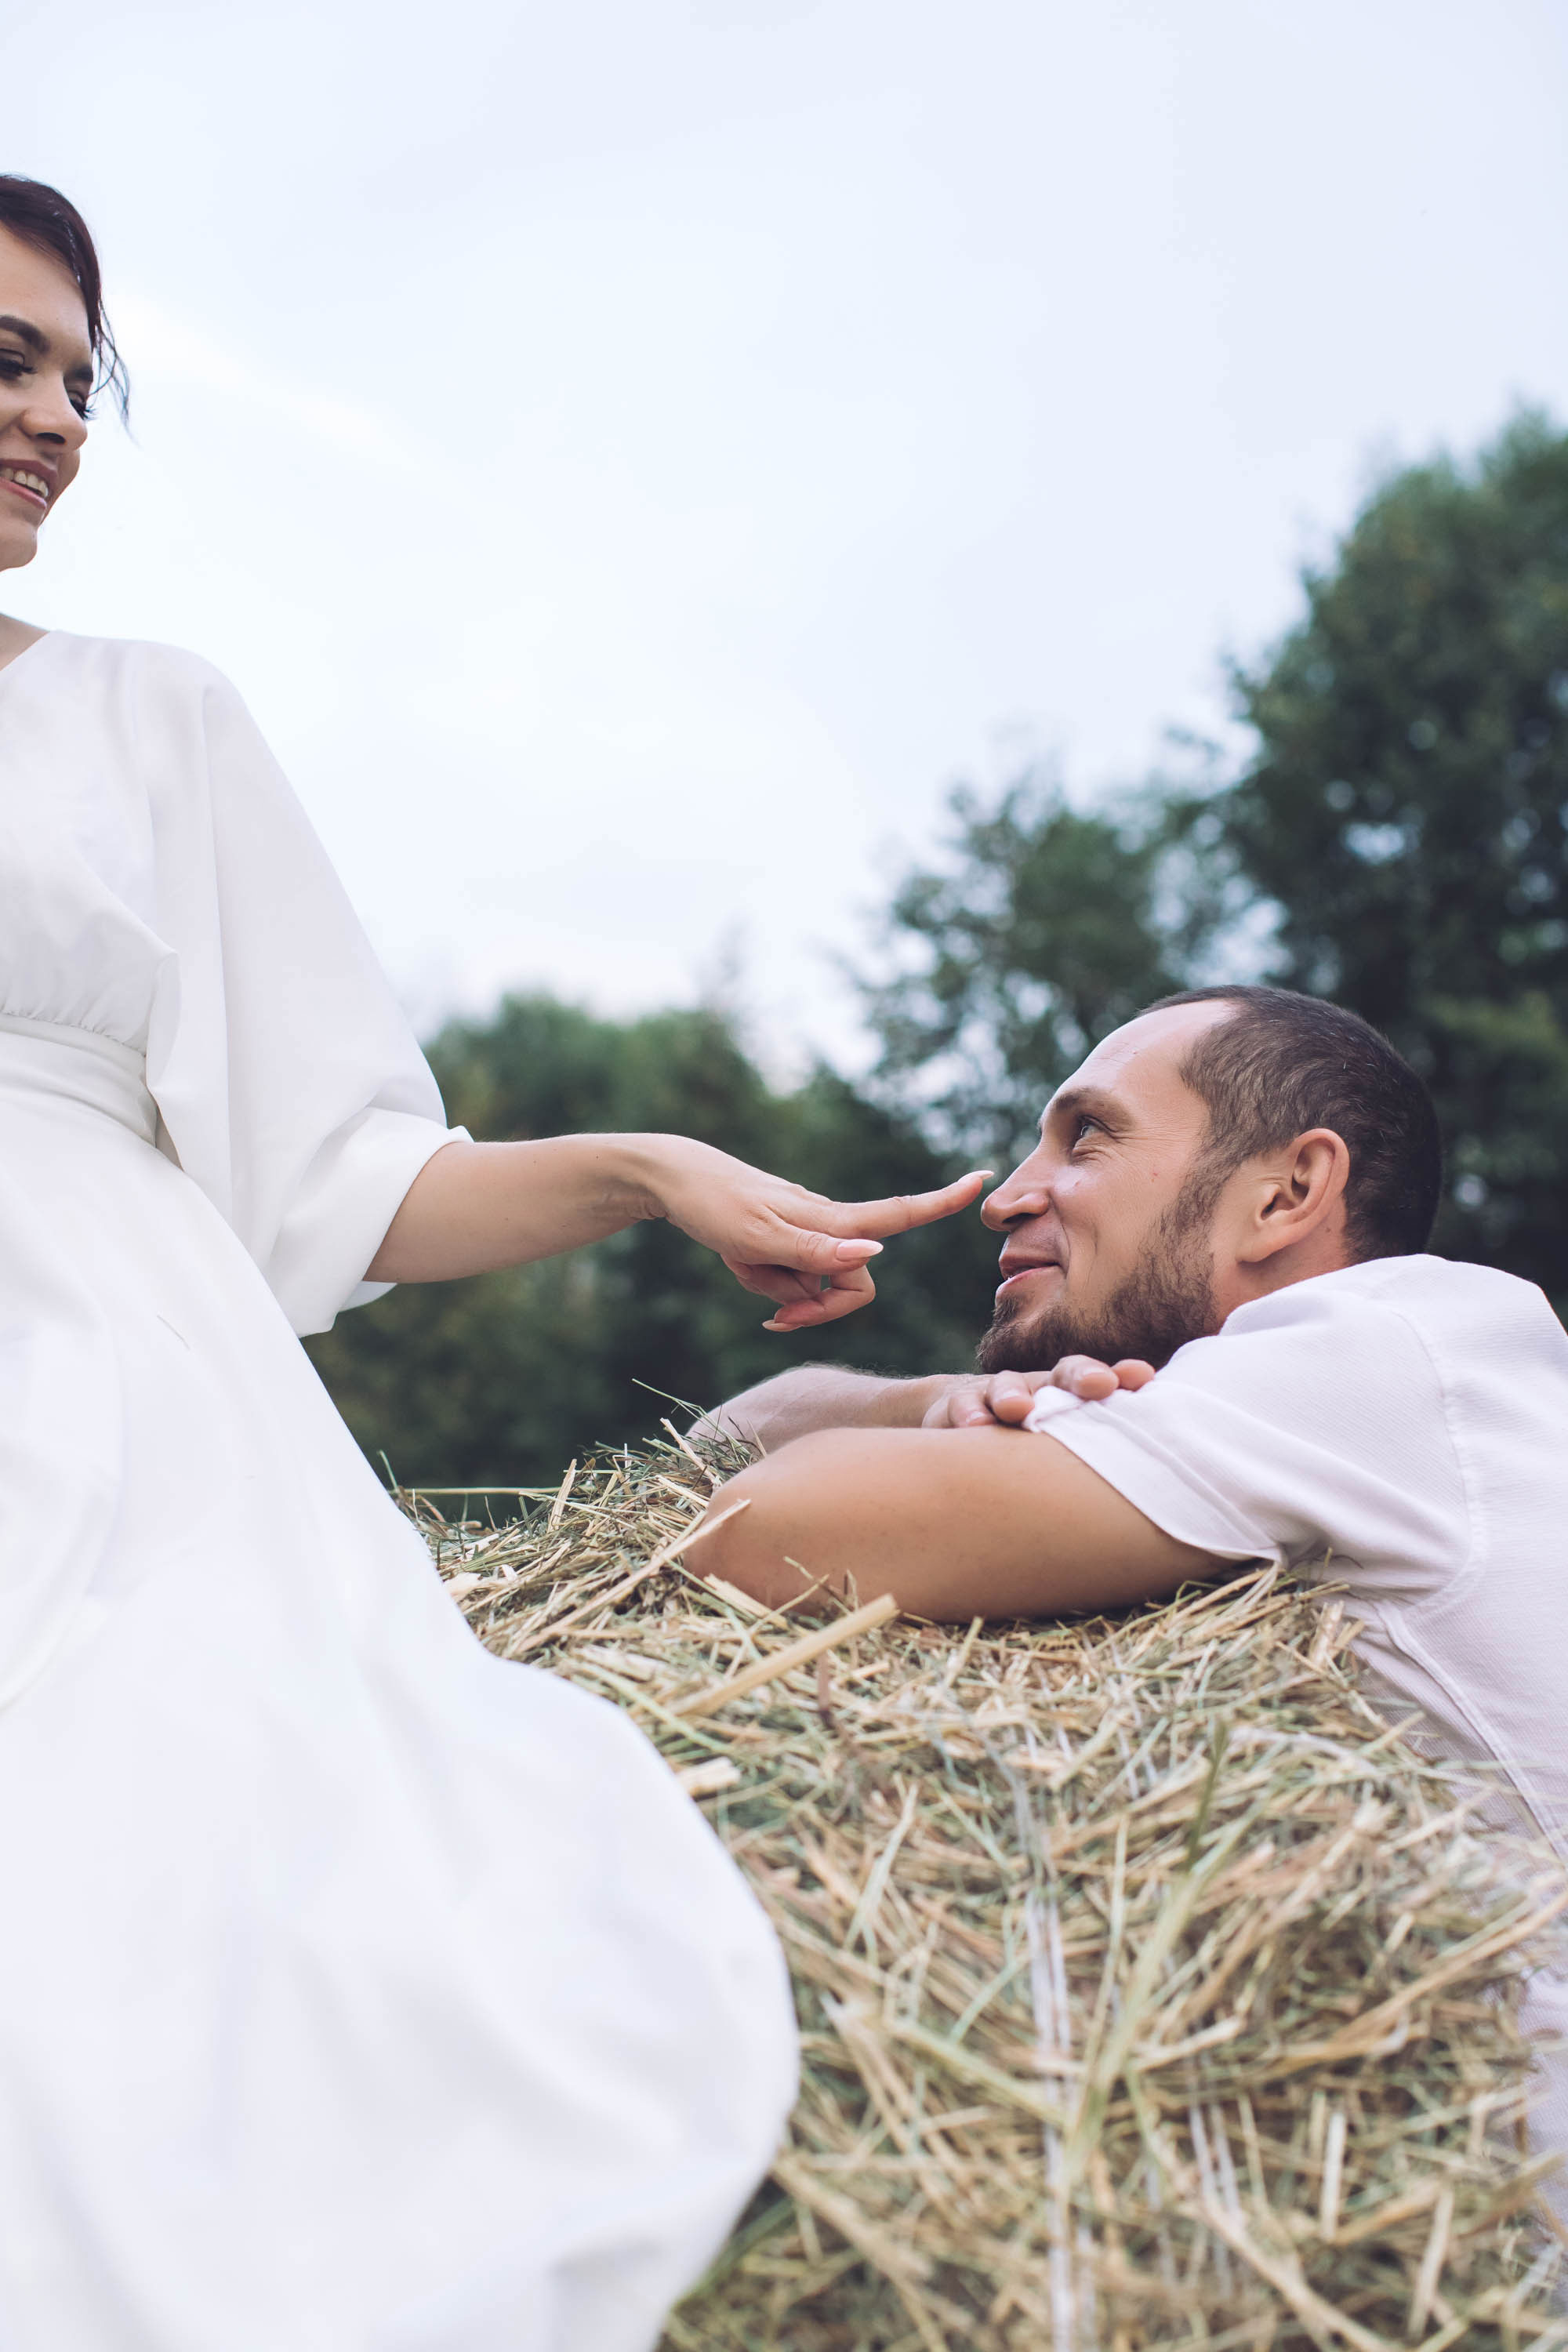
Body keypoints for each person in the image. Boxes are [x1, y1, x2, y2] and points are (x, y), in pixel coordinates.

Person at [0, 176, 989, 2351]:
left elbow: (338, 1179)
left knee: (130, 1858)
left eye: (86, 377)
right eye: (10, 359)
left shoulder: (151, 719)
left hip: (87, 1362)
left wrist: (639, 1165)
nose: (63, 417)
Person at [695, 982, 1568, 2227]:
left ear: (1286, 1192)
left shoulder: (1384, 1348)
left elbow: (753, 1533)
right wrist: (935, 1404)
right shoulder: (1365, 1396)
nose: (1008, 1192)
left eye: (1087, 1136)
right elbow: (729, 1437)